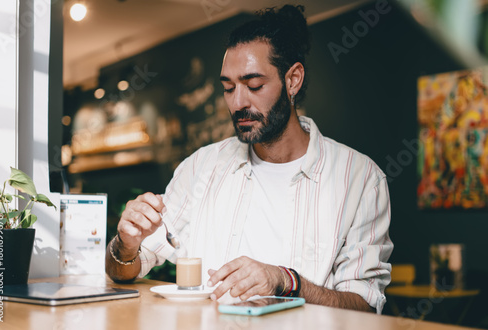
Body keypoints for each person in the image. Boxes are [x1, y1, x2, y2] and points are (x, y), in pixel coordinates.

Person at [106, 5, 393, 314]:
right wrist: (126, 243)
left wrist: (287, 281)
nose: (238, 102)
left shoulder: (361, 179)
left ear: (293, 80)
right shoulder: (201, 167)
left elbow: (365, 307)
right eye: (228, 88)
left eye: (254, 85)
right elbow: (124, 269)